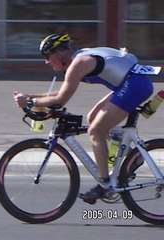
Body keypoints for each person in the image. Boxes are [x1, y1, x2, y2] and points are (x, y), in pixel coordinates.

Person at [13, 33, 154, 204]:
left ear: (59, 52)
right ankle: (133, 155)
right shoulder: (78, 58)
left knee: (96, 130)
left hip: (134, 85)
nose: (46, 61)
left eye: (47, 56)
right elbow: (62, 92)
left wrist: (32, 102)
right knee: (93, 117)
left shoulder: (79, 63)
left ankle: (105, 185)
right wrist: (30, 97)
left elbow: (61, 99)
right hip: (131, 82)